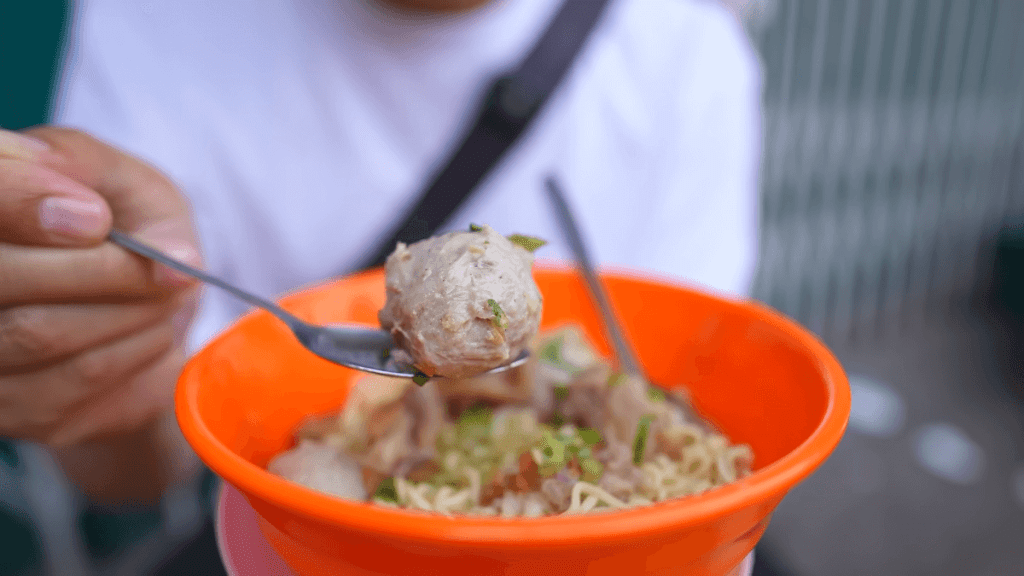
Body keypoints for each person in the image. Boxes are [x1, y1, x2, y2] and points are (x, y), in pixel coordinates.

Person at [0, 0, 762, 572]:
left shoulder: (683, 51)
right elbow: (138, 467)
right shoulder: (154, 21)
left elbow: (676, 399)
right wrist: (100, 375)